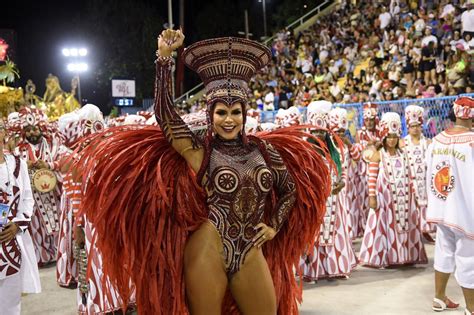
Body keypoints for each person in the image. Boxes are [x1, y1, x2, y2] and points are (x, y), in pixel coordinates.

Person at [74, 29, 330, 314]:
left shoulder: (263, 150)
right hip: (209, 249)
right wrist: (164, 59)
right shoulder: (201, 151)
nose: (229, 120)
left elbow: (289, 190)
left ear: (245, 114)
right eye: (221, 112)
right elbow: (165, 115)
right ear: (211, 114)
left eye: (236, 112)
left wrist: (274, 227)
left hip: (249, 250)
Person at [359, 112, 427, 268]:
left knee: (405, 226)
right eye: (388, 136)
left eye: (394, 136)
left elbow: (409, 176)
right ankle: (387, 258)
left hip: (404, 200)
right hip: (385, 201)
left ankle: (404, 256)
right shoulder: (378, 155)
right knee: (384, 228)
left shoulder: (403, 155)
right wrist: (372, 196)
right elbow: (372, 177)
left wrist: (415, 196)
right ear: (384, 137)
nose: (391, 139)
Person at [426, 96, 473, 314]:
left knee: (444, 250)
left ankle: (439, 297)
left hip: (441, 204)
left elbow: (429, 172)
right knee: (468, 256)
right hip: (465, 209)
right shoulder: (471, 142)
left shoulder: (436, 140)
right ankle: (471, 308)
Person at [300, 101, 356, 281]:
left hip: (334, 202)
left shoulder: (334, 150)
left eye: (321, 132)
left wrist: (340, 182)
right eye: (315, 131)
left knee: (334, 234)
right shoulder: (304, 150)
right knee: (314, 236)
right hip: (314, 202)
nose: (318, 135)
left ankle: (336, 267)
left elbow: (342, 170)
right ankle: (313, 271)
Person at [13, 107, 66, 265]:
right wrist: (24, 165)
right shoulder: (19, 149)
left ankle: (59, 254)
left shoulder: (53, 144)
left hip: (53, 195)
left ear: (41, 128)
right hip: (34, 198)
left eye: (35, 129)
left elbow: (64, 162)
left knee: (56, 224)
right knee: (37, 229)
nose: (32, 133)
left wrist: (49, 165)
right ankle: (41, 256)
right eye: (28, 130)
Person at [0, 119, 41, 315]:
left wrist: (17, 225)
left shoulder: (18, 164)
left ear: (3, 134)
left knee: (10, 301)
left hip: (10, 243)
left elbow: (27, 199)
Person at [401, 105, 435, 243]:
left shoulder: (428, 142)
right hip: (410, 179)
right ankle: (414, 231)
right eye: (412, 126)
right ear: (408, 127)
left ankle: (426, 229)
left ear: (421, 126)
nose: (415, 128)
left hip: (425, 180)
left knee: (426, 204)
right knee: (411, 206)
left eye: (417, 125)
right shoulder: (402, 143)